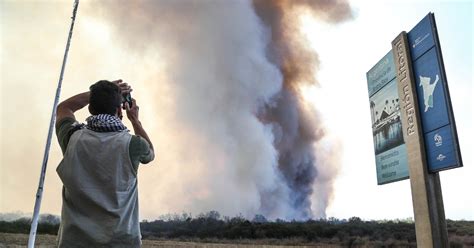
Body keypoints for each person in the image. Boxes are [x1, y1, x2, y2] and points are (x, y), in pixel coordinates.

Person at [55, 79, 154, 247]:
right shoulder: (134, 145)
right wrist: (135, 120)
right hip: (122, 242)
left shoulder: (71, 137)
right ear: (119, 110)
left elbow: (64, 108)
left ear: (91, 108)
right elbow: (150, 152)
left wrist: (96, 95)